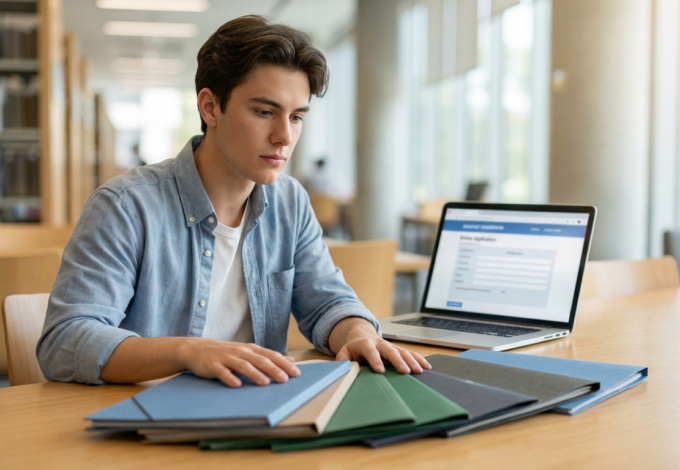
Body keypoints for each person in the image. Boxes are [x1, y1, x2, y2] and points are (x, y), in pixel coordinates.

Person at [37, 15, 430, 388]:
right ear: (210, 107)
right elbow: (65, 340)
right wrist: (188, 352)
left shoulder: (290, 201)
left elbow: (327, 300)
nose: (284, 137)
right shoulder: (125, 206)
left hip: (261, 412)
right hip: (149, 424)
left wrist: (358, 332)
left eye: (296, 117)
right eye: (264, 112)